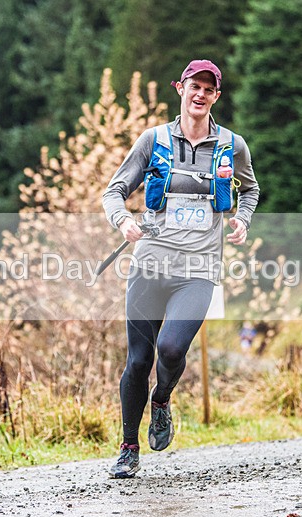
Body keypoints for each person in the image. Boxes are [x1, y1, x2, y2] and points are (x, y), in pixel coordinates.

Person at [102, 59, 260, 478]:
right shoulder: (152, 141)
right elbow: (114, 191)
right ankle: (128, 447)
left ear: (216, 97)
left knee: (171, 349)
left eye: (209, 89)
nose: (200, 94)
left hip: (199, 269)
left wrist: (242, 218)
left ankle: (162, 401)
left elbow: (251, 188)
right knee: (138, 360)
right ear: (180, 89)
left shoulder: (232, 144)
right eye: (194, 86)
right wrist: (123, 220)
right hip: (149, 266)